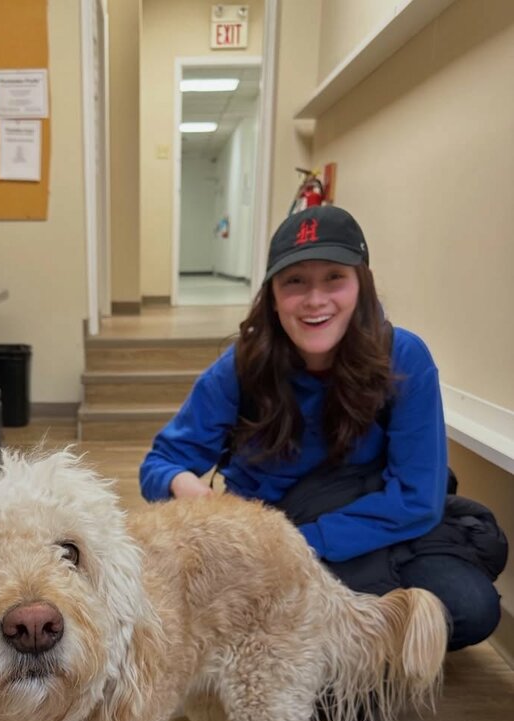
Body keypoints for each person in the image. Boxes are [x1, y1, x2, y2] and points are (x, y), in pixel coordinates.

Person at [140, 205, 506, 651]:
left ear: (361, 285)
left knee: (469, 606)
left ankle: (340, 649)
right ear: (273, 296)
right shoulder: (240, 368)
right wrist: (188, 488)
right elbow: (159, 464)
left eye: (334, 277)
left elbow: (416, 497)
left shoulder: (404, 357)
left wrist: (299, 544)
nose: (315, 300)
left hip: (370, 526)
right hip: (271, 535)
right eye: (295, 281)